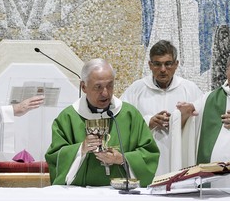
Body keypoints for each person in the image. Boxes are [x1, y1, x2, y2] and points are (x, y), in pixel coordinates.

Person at [45, 58, 160, 188]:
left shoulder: (130, 115)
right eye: (98, 87)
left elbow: (149, 154)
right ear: (84, 87)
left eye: (110, 86)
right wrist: (80, 149)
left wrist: (121, 159)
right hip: (81, 195)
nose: (105, 93)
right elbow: (55, 157)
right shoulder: (68, 117)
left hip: (122, 194)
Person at [121, 40, 203, 176]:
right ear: (150, 65)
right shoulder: (136, 89)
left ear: (176, 64)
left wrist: (182, 120)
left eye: (168, 64)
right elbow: (122, 121)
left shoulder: (190, 89)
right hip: (146, 159)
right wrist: (148, 122)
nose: (163, 69)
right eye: (157, 64)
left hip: (180, 157)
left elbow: (202, 122)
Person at [176, 55, 230, 187]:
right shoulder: (209, 98)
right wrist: (183, 114)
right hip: (213, 183)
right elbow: (190, 119)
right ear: (227, 70)